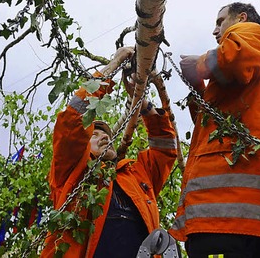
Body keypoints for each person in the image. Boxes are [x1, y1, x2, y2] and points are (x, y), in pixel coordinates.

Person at [169, 2, 260, 258]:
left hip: (228, 216)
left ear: (241, 18)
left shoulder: (251, 31)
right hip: (245, 219)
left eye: (220, 21)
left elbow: (235, 58)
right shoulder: (244, 79)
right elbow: (211, 125)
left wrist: (201, 62)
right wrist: (196, 86)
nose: (215, 30)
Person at [41, 47, 178, 258]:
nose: (105, 137)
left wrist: (144, 106)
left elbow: (165, 149)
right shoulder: (72, 170)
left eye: (106, 135)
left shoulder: (137, 173)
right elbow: (72, 119)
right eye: (94, 134)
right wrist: (114, 65)